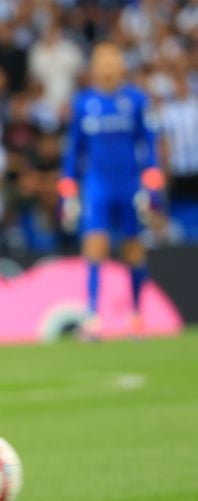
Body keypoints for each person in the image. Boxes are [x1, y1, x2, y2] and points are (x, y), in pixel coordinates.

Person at [58, 43, 164, 338]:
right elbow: (74, 149)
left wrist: (151, 183)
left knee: (133, 249)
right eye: (101, 61)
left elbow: (149, 145)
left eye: (112, 60)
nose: (106, 67)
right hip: (97, 185)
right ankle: (92, 316)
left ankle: (136, 315)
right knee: (95, 246)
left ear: (121, 66)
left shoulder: (136, 100)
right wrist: (67, 187)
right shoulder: (83, 103)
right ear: (93, 67)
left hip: (130, 184)